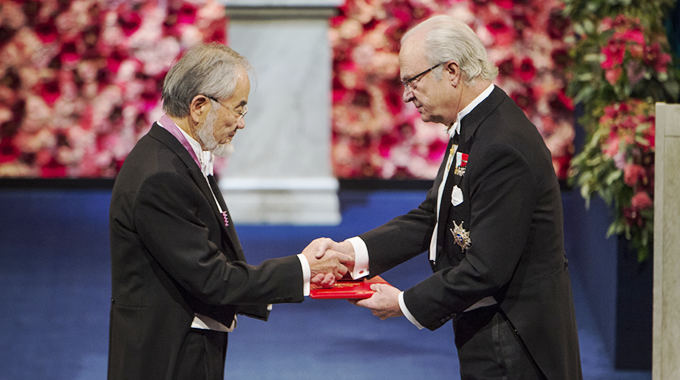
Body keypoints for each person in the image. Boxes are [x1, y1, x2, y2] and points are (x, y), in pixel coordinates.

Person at [328, 15, 582, 380]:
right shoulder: (476, 124)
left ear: (451, 71)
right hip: (491, 328)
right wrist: (351, 253)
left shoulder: (501, 144)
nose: (406, 95)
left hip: (516, 342)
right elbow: (432, 217)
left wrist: (403, 303)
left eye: (412, 81)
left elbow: (487, 269)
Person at [107, 43, 352, 380]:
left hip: (187, 343)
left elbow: (212, 263)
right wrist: (302, 269)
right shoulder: (161, 176)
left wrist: (303, 273)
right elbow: (212, 279)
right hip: (167, 357)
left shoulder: (175, 157)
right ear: (199, 106)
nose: (241, 123)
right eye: (238, 109)